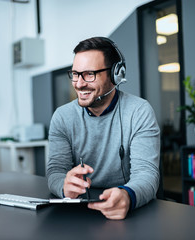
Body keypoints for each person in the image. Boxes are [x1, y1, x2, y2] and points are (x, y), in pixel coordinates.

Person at [46, 37, 160, 220]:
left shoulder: (139, 111)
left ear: (116, 75)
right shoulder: (62, 117)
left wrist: (127, 195)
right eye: (75, 74)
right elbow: (55, 171)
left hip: (129, 211)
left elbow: (147, 174)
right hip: (80, 213)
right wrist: (64, 186)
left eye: (89, 74)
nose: (79, 83)